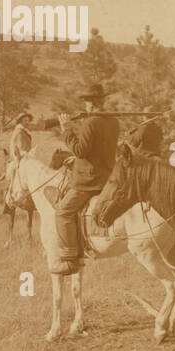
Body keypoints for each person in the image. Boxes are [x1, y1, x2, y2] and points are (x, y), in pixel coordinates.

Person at [53, 85, 119, 274]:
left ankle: (70, 259)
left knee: (62, 212)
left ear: (91, 103)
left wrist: (66, 130)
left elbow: (80, 150)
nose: (86, 105)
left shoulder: (91, 122)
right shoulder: (113, 122)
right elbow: (97, 149)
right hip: (107, 177)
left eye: (87, 101)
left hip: (89, 181)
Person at [4, 111, 34, 209]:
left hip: (25, 157)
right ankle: (10, 200)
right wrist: (24, 155)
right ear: (20, 121)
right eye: (25, 120)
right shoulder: (19, 132)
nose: (27, 122)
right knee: (15, 178)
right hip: (19, 158)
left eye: (28, 121)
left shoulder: (24, 131)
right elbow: (19, 148)